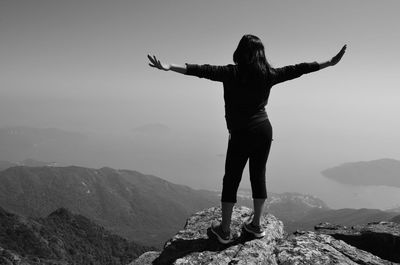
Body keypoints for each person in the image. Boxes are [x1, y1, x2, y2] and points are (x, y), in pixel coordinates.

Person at [147, 34, 346, 244]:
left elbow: (199, 70)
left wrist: (170, 66)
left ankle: (224, 230)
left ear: (240, 51)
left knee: (231, 178)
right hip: (263, 130)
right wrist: (329, 63)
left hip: (241, 133)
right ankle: (256, 226)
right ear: (261, 53)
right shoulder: (269, 74)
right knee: (258, 176)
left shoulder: (231, 73)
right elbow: (300, 68)